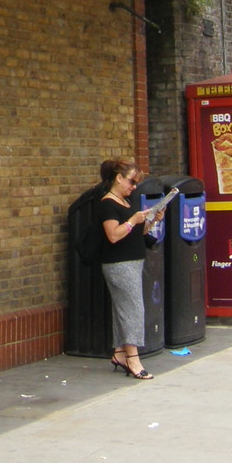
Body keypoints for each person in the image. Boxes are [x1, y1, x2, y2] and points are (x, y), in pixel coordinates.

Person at [93, 158, 157, 381]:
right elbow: (114, 234)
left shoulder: (126, 202)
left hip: (133, 260)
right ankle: (133, 358)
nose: (134, 186)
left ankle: (120, 353)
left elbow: (136, 234)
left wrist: (151, 221)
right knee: (132, 308)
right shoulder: (107, 204)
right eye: (131, 181)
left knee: (125, 308)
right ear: (118, 178)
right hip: (119, 264)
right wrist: (132, 221)